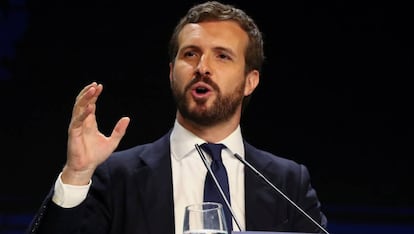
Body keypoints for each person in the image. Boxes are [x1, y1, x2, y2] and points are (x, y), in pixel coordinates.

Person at [26, 1, 328, 233]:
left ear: (251, 80)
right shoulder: (116, 177)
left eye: (222, 55)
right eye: (190, 54)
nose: (202, 67)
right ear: (172, 73)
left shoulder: (287, 183)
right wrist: (77, 175)